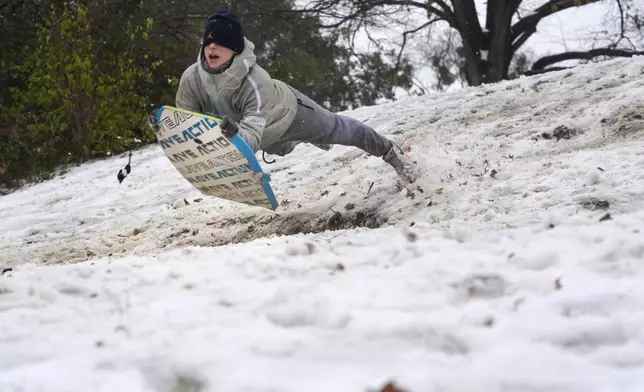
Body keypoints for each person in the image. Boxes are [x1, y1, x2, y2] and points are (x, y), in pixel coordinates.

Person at [173, 10, 419, 184]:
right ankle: (293, 142)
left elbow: (251, 137)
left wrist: (234, 135)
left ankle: (391, 153)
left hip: (289, 114)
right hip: (262, 137)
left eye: (221, 43)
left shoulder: (255, 83)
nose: (212, 48)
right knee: (281, 149)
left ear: (235, 49)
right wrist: (170, 127)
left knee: (341, 129)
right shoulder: (191, 79)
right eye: (208, 43)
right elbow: (185, 121)